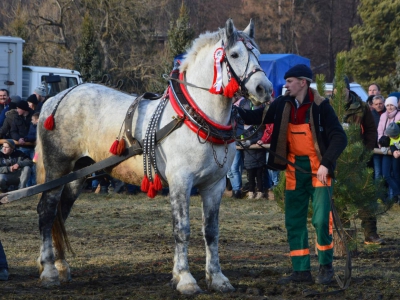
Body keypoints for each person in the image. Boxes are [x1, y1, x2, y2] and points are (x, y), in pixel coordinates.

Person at [237, 64, 347, 285]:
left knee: (320, 220)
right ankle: (301, 271)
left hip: (319, 173)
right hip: (295, 172)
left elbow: (339, 138)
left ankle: (326, 268)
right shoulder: (282, 103)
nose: (285, 85)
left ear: (303, 83)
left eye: (289, 81)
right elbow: (258, 117)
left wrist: (326, 163)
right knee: (293, 221)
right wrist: (235, 112)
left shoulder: (322, 107)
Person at [340, 75, 385, 245]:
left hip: (357, 159)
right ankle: (343, 233)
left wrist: (365, 152)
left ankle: (370, 234)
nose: (339, 92)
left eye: (342, 89)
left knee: (365, 196)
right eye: (336, 90)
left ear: (348, 89)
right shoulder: (327, 106)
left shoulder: (362, 107)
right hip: (335, 159)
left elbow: (371, 132)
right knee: (337, 199)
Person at [240, 98, 266, 200]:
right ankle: (251, 192)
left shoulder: (257, 127)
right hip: (248, 155)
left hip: (258, 154)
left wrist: (250, 142)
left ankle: (260, 192)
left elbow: (260, 136)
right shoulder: (241, 130)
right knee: (250, 175)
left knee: (259, 174)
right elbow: (237, 138)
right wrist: (241, 143)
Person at [377, 96, 400, 202]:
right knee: (385, 174)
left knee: (396, 174)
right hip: (386, 148)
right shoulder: (383, 116)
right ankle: (397, 192)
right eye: (387, 105)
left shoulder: (399, 115)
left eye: (391, 105)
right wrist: (380, 144)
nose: (389, 107)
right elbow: (380, 131)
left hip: (396, 148)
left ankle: (396, 198)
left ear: (395, 105)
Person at [227, 95, 245, 199]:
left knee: (234, 168)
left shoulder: (239, 109)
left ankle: (237, 191)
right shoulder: (231, 109)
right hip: (229, 142)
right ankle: (234, 189)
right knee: (229, 170)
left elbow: (241, 127)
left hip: (236, 142)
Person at [371, 95, 386, 181]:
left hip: (387, 148)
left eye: (380, 103)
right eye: (376, 104)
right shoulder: (370, 116)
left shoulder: (388, 114)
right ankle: (378, 194)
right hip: (375, 148)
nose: (379, 105)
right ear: (373, 105)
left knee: (386, 173)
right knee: (377, 172)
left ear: (384, 103)